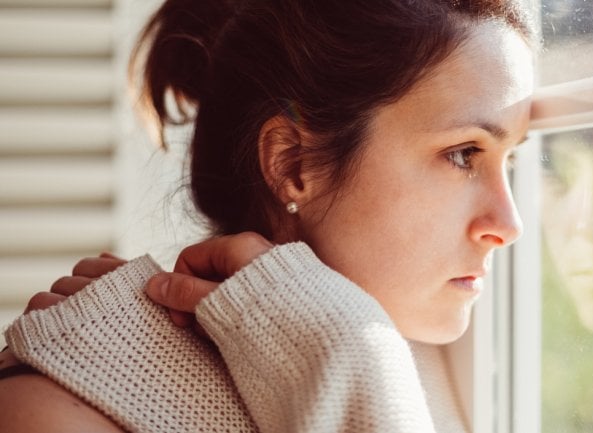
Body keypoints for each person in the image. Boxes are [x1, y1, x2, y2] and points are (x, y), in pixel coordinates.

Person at [0, 0, 536, 432]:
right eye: (464, 153)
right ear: (292, 164)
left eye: (511, 158)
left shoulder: (435, 360)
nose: (508, 224)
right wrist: (350, 355)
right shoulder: (55, 410)